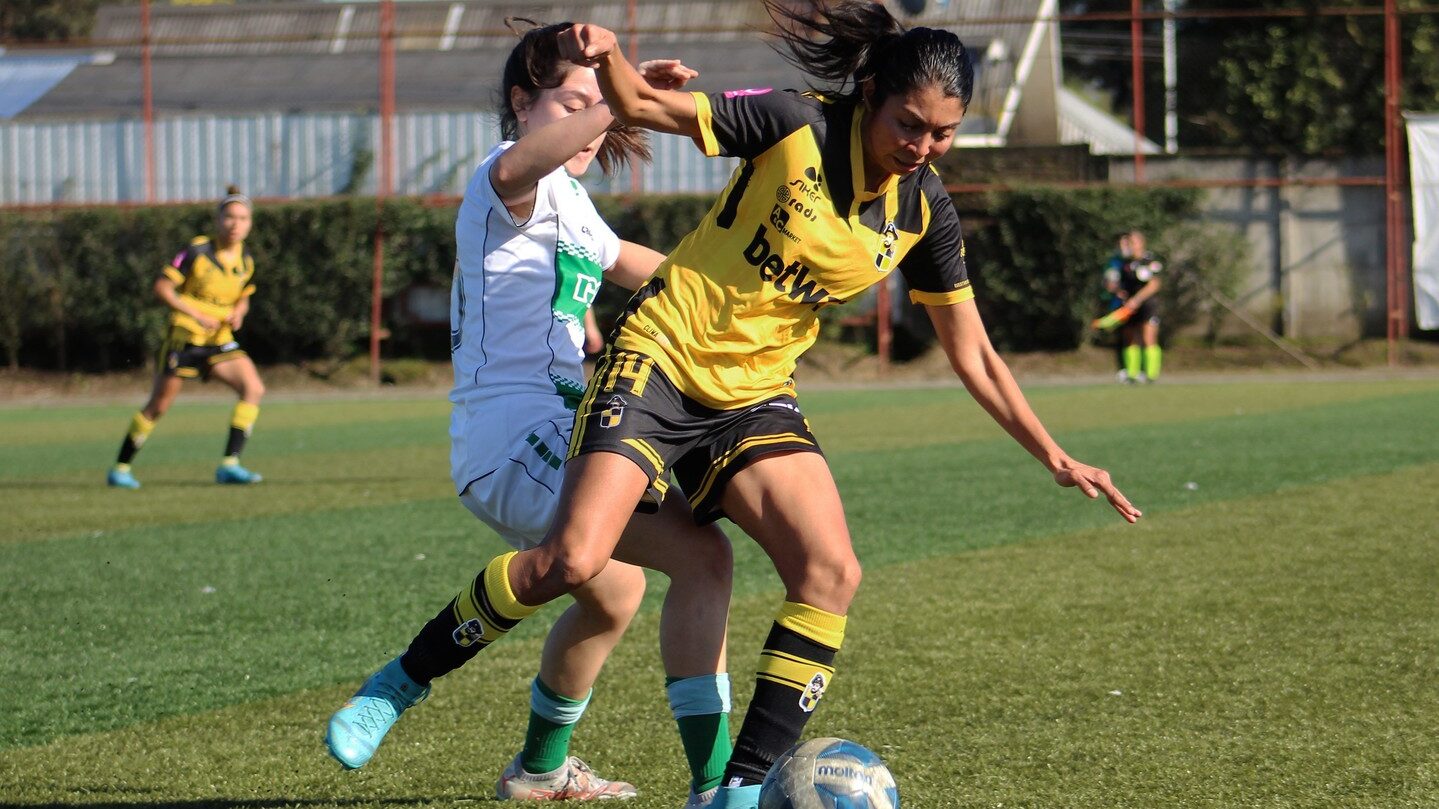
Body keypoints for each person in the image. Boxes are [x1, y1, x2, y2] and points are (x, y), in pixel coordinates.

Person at [380, 3, 1142, 808]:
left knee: (826, 570)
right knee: (577, 562)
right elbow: (638, 110)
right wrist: (610, 65)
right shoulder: (791, 126)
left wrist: (1050, 451)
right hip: (653, 365)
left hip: (751, 396)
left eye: (942, 134)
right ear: (870, 92)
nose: (920, 147)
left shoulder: (923, 208)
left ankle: (731, 793)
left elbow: (973, 349)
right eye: (909, 124)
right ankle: (403, 682)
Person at [324, 20, 734, 806]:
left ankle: (540, 769)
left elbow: (635, 265)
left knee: (614, 594)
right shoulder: (503, 177)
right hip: (514, 432)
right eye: (572, 102)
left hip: (558, 427)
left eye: (598, 100)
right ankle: (397, 685)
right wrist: (621, 98)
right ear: (521, 103)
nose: (590, 119)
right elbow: (524, 163)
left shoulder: (572, 203)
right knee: (700, 555)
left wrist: (739, 289)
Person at [106, 186, 266, 489]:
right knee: (159, 406)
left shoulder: (245, 259)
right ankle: (121, 467)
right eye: (230, 217)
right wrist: (195, 314)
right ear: (218, 219)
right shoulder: (197, 251)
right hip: (186, 338)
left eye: (243, 218)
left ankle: (230, 464)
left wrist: (240, 312)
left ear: (250, 224)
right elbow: (163, 288)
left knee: (253, 387)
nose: (235, 224)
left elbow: (244, 294)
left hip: (219, 339)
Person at [1101, 229, 1164, 383]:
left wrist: (1136, 299)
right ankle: (1132, 373)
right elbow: (1118, 285)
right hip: (1129, 306)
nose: (1129, 245)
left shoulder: (1149, 261)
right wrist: (1118, 291)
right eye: (1128, 242)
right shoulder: (1124, 264)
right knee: (1129, 338)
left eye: (1132, 242)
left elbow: (1154, 285)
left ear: (1141, 243)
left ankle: (1150, 375)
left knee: (1148, 337)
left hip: (1147, 305)